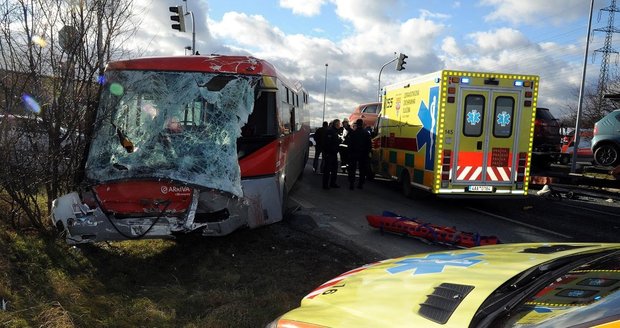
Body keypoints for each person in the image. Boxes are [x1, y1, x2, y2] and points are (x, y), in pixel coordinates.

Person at [346, 119, 372, 190]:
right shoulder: (366, 133)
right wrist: (367, 153)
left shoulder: (353, 133)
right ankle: (360, 184)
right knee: (362, 170)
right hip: (363, 154)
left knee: (352, 169)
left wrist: (350, 153)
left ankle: (351, 184)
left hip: (353, 153)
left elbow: (350, 144)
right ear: (362, 124)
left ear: (357, 124)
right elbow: (369, 145)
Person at [322, 119, 342, 189]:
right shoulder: (330, 131)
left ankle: (333, 183)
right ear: (336, 124)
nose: (340, 125)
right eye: (339, 124)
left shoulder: (335, 131)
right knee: (327, 170)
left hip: (334, 154)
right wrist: (327, 152)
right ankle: (325, 185)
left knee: (334, 169)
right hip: (329, 154)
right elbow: (327, 143)